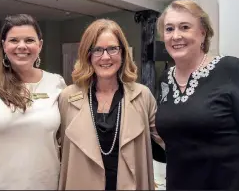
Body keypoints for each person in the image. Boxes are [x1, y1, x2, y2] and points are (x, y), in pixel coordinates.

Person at [155, 0, 239, 190]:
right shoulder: (165, 79)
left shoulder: (230, 69)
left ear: (203, 33)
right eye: (169, 29)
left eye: (184, 27)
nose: (176, 36)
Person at [0, 14, 66, 190]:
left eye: (29, 40)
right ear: (4, 45)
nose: (22, 46)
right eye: (14, 40)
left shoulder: (56, 83)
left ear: (40, 45)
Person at [58, 19, 164, 190]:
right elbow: (56, 151)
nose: (105, 57)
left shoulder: (142, 95)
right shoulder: (67, 97)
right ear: (88, 54)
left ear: (122, 53)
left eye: (113, 49)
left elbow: (169, 139)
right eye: (98, 50)